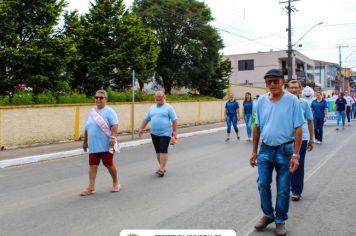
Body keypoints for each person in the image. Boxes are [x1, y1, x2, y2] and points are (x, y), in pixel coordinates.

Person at [250, 69, 304, 236]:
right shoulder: (260, 102)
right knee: (262, 184)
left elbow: (298, 128)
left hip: (285, 150)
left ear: (282, 82)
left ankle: (280, 220)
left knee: (282, 188)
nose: (271, 84)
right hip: (265, 149)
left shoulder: (292, 100)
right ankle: (268, 214)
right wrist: (254, 151)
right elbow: (256, 127)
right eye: (268, 82)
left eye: (275, 81)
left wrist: (296, 154)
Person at [80, 90, 120, 196]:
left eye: (101, 98)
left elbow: (115, 125)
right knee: (92, 165)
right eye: (96, 97)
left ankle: (116, 182)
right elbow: (87, 127)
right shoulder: (92, 112)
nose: (98, 99)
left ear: (105, 99)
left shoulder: (109, 111)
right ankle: (91, 187)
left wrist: (112, 137)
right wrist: (85, 141)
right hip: (93, 144)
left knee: (109, 164)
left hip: (106, 144)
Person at [138, 91, 177, 177]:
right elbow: (146, 119)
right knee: (158, 151)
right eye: (157, 97)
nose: (158, 98)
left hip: (165, 132)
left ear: (164, 97)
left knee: (163, 149)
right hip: (154, 133)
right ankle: (162, 167)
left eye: (160, 97)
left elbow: (174, 120)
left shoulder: (169, 108)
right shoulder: (152, 108)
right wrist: (141, 128)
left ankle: (162, 169)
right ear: (154, 98)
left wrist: (174, 131)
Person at [287, 80, 314, 201]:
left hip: (301, 138)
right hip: (286, 138)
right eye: (291, 87)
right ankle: (289, 186)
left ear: (300, 89)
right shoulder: (283, 103)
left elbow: (309, 121)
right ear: (287, 88)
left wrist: (311, 139)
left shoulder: (304, 103)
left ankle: (297, 191)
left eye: (296, 88)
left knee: (299, 163)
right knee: (286, 164)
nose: (293, 90)